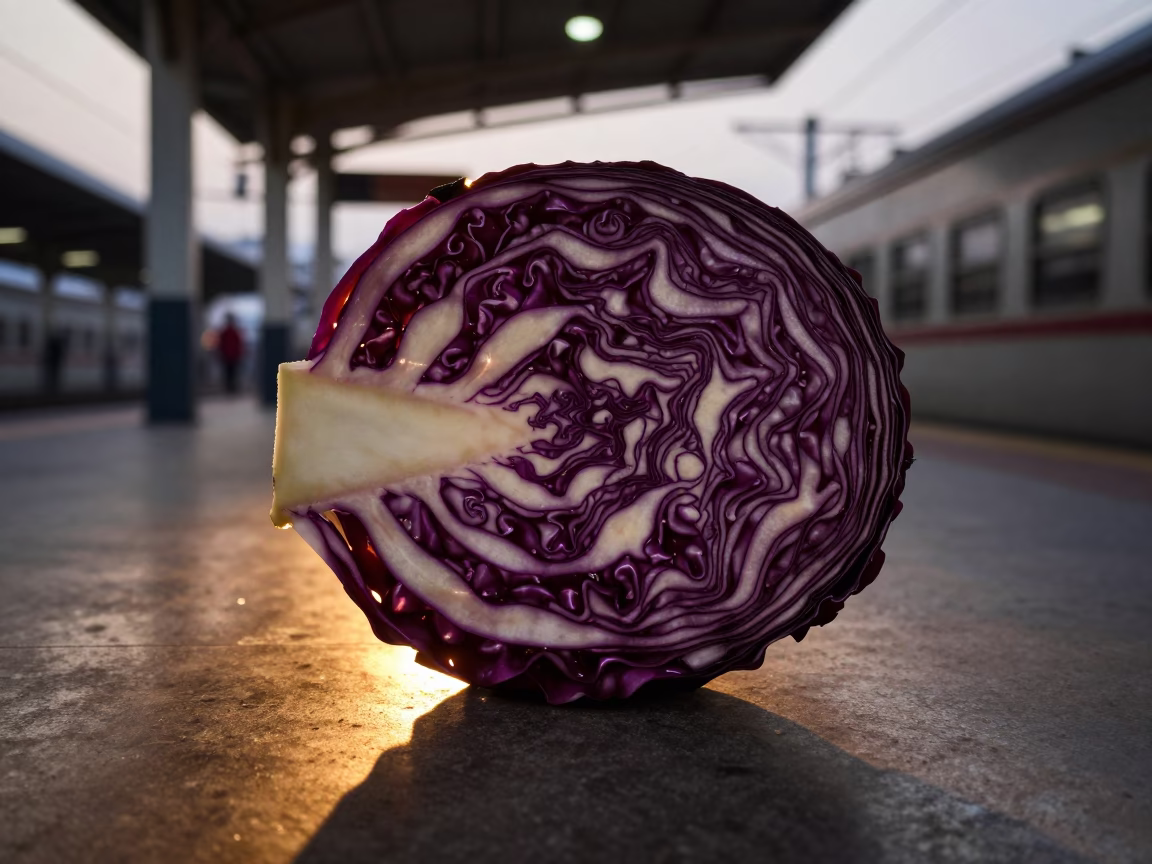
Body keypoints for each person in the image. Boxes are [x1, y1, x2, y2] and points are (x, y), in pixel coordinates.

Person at [217, 314, 244, 394]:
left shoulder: (226, 332)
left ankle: (230, 387)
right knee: (232, 373)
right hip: (231, 356)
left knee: (229, 373)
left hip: (229, 356)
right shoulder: (232, 332)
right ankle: (231, 387)